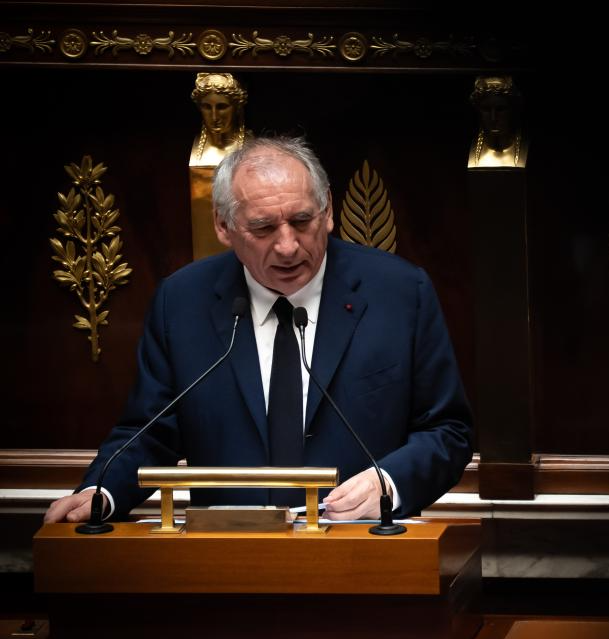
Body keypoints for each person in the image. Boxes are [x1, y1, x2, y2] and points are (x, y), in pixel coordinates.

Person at [45, 136, 473, 522]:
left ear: (327, 210)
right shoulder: (182, 302)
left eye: (302, 221)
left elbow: (447, 432)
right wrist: (101, 492)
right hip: (228, 555)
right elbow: (149, 432)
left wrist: (388, 483)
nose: (287, 246)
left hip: (361, 547)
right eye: (264, 228)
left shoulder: (399, 293)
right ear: (223, 226)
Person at [189, 72, 252, 168]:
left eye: (222, 107)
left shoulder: (250, 145)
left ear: (237, 107)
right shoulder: (197, 148)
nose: (214, 117)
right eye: (207, 107)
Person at [467, 75, 528, 168]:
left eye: (500, 109)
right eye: (486, 109)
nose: (493, 118)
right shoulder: (469, 147)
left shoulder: (525, 147)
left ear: (512, 110)